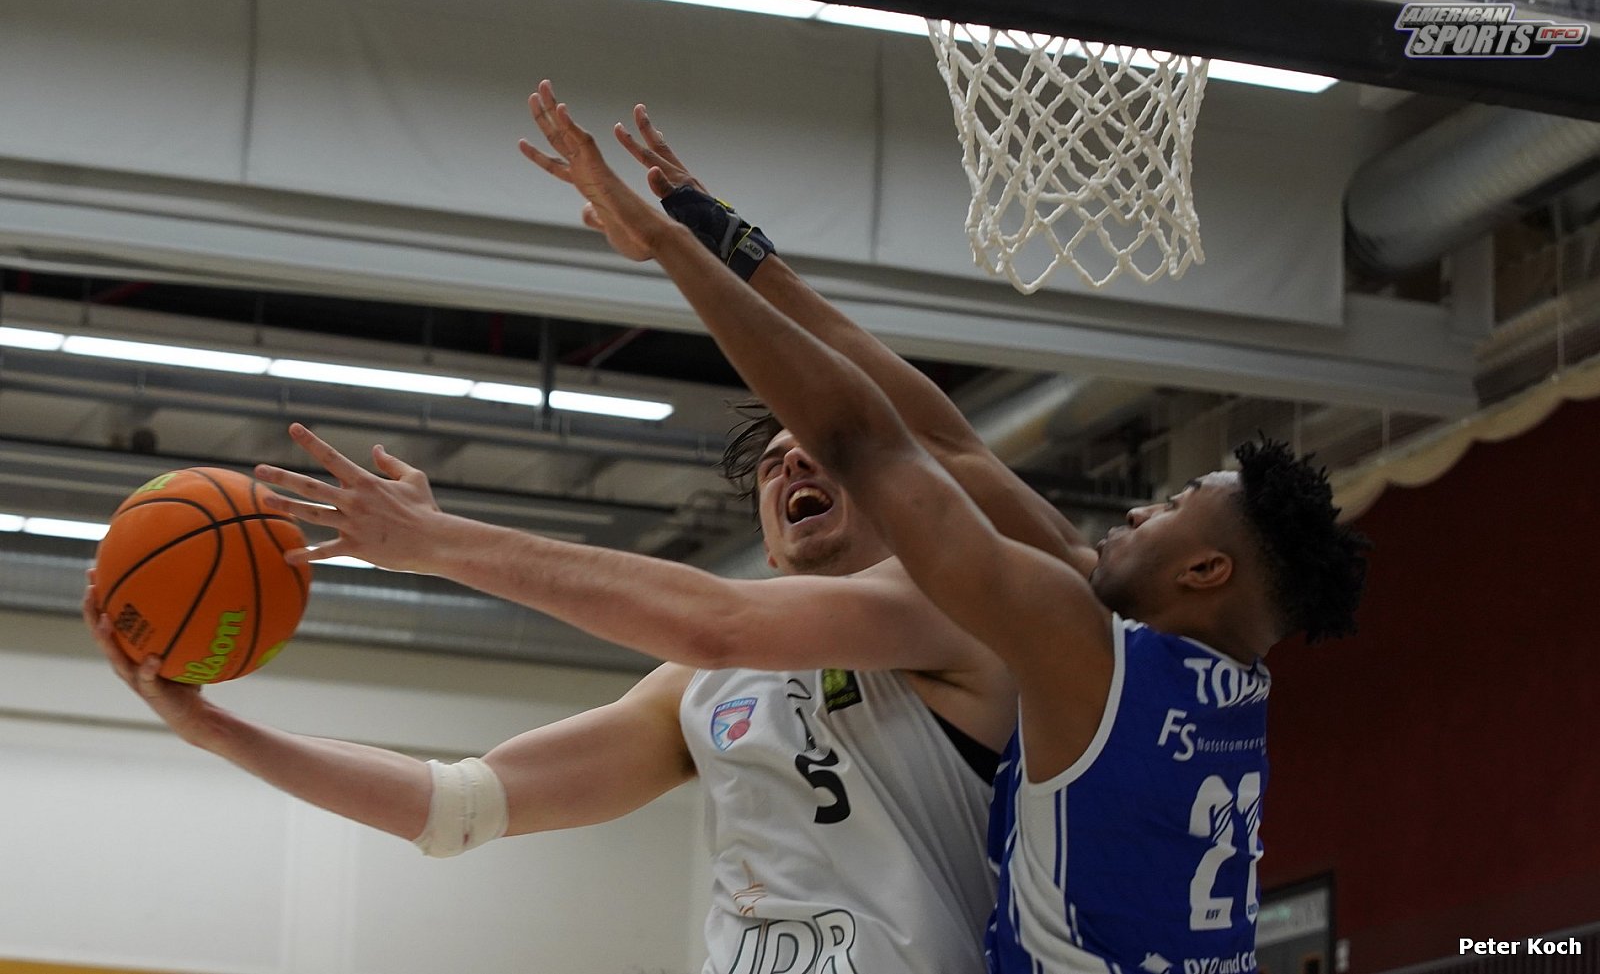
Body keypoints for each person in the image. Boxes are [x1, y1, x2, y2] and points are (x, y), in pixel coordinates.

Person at [87, 118, 1102, 970]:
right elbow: (459, 805)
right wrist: (216, 730)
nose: (792, 464)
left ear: (897, 494)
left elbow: (716, 616)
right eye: (770, 464)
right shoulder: (703, 691)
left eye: (817, 452)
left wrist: (441, 541)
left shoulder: (960, 611)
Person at [519, 80, 1370, 974]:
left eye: (1172, 505)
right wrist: (731, 243)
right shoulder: (1206, 676)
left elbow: (871, 440)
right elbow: (947, 440)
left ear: (1204, 570)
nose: (1136, 509)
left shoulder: (1089, 655)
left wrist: (670, 247)